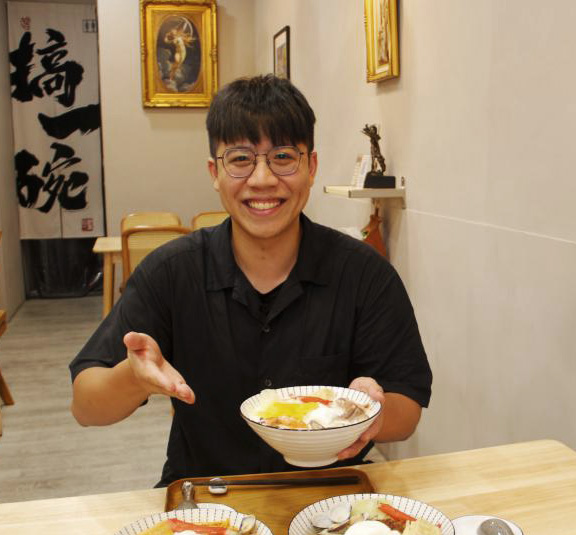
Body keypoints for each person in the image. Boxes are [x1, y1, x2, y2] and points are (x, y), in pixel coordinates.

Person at [69, 74, 432, 487]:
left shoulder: (365, 275)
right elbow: (85, 406)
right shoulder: (171, 273)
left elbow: (407, 410)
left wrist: (372, 412)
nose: (262, 179)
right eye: (240, 159)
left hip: (331, 502)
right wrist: (134, 378)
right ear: (214, 172)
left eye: (283, 157)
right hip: (205, 502)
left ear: (311, 167)